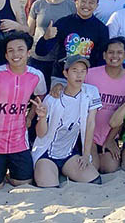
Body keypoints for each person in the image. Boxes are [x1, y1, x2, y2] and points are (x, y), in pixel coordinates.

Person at [0, 31, 48, 192]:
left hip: (19, 141)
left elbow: (40, 95)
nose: (16, 54)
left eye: (20, 49)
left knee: (23, 184)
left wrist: (30, 116)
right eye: (11, 50)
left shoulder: (36, 75)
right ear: (6, 55)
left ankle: (9, 171)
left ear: (28, 53)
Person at [31, 54, 101, 187]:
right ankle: (50, 170)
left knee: (94, 181)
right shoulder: (52, 98)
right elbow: (41, 134)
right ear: (65, 73)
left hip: (69, 153)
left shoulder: (91, 92)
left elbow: (90, 123)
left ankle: (65, 170)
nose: (79, 75)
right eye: (74, 71)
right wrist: (41, 117)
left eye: (82, 71)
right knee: (49, 186)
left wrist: (86, 155)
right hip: (47, 153)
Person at [85, 37, 125, 174]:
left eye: (119, 52)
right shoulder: (90, 75)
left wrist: (110, 140)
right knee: (92, 168)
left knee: (109, 168)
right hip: (88, 134)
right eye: (111, 52)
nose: (115, 56)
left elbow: (124, 113)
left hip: (110, 134)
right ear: (104, 55)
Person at [34, 0, 109, 70]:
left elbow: (102, 59)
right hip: (61, 74)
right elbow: (40, 52)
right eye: (83, 1)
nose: (86, 5)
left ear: (96, 6)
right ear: (76, 3)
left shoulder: (101, 29)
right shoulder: (63, 23)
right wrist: (46, 38)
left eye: (91, 3)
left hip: (87, 75)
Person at [27, 0, 76, 86]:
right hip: (38, 59)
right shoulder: (37, 5)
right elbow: (30, 31)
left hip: (60, 61)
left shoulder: (73, 6)